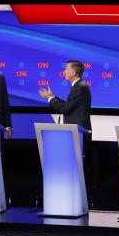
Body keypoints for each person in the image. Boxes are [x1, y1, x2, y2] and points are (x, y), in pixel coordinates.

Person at [39, 60, 95, 198]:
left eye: (66, 69)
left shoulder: (79, 87)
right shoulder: (79, 86)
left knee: (77, 168)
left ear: (74, 72)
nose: (63, 71)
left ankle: (76, 198)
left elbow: (65, 109)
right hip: (76, 133)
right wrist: (53, 97)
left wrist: (50, 99)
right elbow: (70, 105)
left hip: (78, 133)